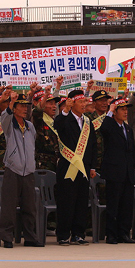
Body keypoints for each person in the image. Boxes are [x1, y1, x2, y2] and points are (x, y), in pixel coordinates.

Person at [0, 88, 42, 248]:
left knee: (30, 207)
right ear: (14, 108)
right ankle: (7, 237)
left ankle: (30, 237)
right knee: (9, 206)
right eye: (21, 106)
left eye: (26, 106)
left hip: (28, 171)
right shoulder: (9, 124)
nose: (24, 109)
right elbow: (4, 117)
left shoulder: (30, 126)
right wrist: (11, 102)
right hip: (13, 170)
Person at [54, 89, 97, 246]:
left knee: (81, 201)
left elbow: (92, 145)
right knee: (66, 201)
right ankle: (64, 234)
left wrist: (92, 166)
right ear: (72, 103)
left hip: (84, 168)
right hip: (67, 166)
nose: (84, 105)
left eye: (85, 102)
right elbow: (57, 125)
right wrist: (65, 110)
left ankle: (78, 233)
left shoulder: (87, 122)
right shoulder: (65, 118)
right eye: (81, 102)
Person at [101, 98, 135, 244]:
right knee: (113, 205)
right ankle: (111, 234)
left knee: (126, 205)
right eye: (122, 109)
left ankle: (124, 233)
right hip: (114, 172)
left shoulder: (127, 128)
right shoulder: (110, 126)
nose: (125, 112)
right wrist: (109, 111)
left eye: (126, 109)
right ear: (115, 111)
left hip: (127, 172)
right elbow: (103, 129)